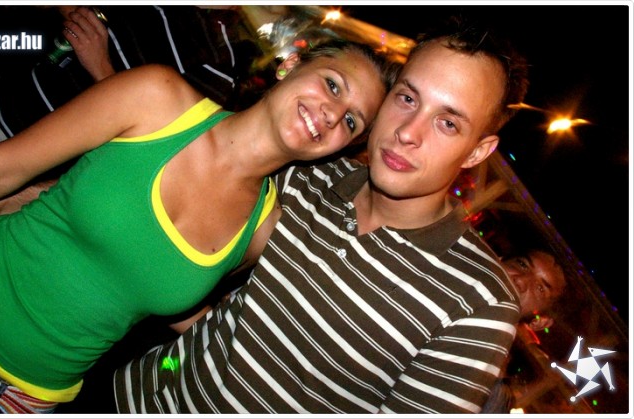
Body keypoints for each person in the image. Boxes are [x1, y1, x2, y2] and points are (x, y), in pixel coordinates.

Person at [0, 39, 399, 413]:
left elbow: (164, 286)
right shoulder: (156, 98)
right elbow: (0, 171)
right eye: (333, 85)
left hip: (22, 402)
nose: (331, 114)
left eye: (351, 121)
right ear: (292, 65)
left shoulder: (263, 232)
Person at [113, 16, 531, 414]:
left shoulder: (479, 298)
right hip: (124, 393)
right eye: (407, 98)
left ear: (478, 151)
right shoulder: (306, 173)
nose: (408, 132)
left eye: (448, 123)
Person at [0, 5, 262, 170]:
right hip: (3, 94)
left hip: (36, 148)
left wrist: (101, 68)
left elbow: (150, 149)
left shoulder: (219, 64)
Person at [481, 247, 567, 413]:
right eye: (522, 264)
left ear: (539, 322)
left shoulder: (490, 394)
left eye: (540, 288)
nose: (520, 280)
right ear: (500, 260)